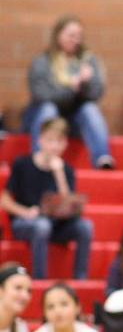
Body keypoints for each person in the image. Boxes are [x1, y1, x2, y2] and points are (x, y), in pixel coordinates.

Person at [1, 117, 93, 280]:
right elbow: (4, 200)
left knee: (85, 227)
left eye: (59, 141)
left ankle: (80, 279)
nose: (54, 146)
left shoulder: (66, 170)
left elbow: (69, 206)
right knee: (42, 226)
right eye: (50, 140)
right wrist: (26, 212)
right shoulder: (22, 163)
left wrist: (59, 174)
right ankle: (40, 280)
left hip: (56, 225)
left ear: (65, 144)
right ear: (40, 140)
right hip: (27, 222)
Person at [24, 16, 114, 169]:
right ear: (58, 35)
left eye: (79, 36)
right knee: (48, 108)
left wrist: (85, 84)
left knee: (90, 109)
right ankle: (40, 158)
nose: (76, 40)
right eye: (71, 35)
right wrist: (72, 87)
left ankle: (102, 158)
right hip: (45, 116)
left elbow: (96, 94)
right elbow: (41, 95)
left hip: (74, 120)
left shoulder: (88, 61)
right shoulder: (42, 62)